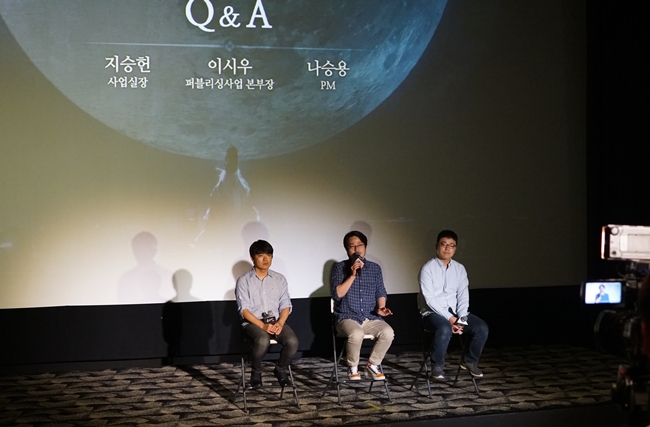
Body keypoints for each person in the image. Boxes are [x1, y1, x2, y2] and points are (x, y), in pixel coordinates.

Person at [417, 229, 489, 379]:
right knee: (444, 328)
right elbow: (430, 299)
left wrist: (461, 318)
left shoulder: (459, 268)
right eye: (444, 244)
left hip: (456, 312)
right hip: (432, 313)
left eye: (451, 245)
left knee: (481, 328)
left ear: (455, 249)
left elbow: (463, 295)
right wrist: (450, 319)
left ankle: (469, 361)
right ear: (437, 246)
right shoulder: (427, 269)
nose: (447, 248)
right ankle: (437, 366)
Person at [331, 230, 395, 381]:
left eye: (360, 245)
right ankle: (352, 367)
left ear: (365, 247)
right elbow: (337, 294)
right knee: (356, 334)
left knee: (388, 332)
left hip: (369, 316)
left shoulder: (375, 268)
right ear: (347, 249)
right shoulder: (339, 267)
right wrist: (352, 275)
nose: (356, 249)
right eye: (352, 246)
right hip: (346, 316)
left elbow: (380, 291)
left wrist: (381, 307)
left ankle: (372, 365)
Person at [235, 240, 298, 388]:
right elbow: (244, 310)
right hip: (253, 323)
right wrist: (262, 326)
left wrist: (280, 323)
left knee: (292, 341)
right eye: (261, 255)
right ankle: (256, 373)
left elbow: (285, 304)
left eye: (269, 255)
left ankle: (280, 369)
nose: (265, 259)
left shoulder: (279, 279)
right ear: (252, 258)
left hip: (275, 321)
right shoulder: (244, 281)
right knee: (263, 340)